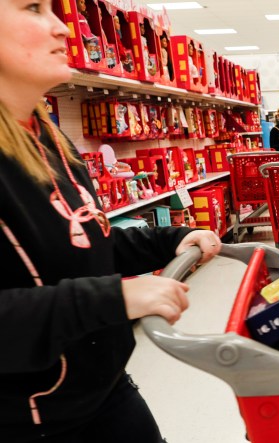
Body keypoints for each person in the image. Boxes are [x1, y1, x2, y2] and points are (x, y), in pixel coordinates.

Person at [0, 2, 222, 442]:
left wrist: (171, 238)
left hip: (106, 390)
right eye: (33, 8)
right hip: (33, 421)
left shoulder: (47, 137)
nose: (64, 27)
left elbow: (86, 240)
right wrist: (111, 298)